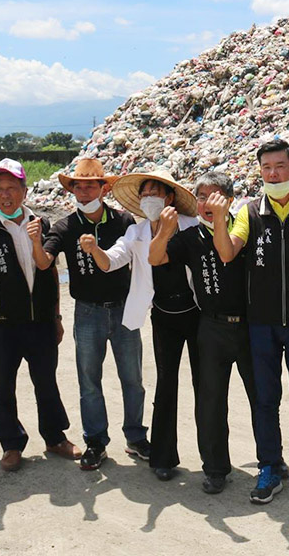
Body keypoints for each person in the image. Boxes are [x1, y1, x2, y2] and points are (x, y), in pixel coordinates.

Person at [215, 139, 289, 502]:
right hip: (260, 324)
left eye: (280, 166)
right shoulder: (249, 212)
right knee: (265, 398)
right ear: (259, 172)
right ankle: (269, 466)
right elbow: (228, 252)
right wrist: (219, 219)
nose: (273, 173)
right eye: (266, 168)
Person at [150, 171, 261, 495]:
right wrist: (164, 231)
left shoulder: (245, 226)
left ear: (228, 198)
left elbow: (228, 252)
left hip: (249, 327)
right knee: (210, 403)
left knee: (261, 398)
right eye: (201, 197)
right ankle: (214, 469)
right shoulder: (189, 237)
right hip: (210, 327)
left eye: (214, 196)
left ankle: (271, 460)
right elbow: (155, 258)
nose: (206, 202)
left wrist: (223, 221)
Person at [32, 158, 147, 471]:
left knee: (133, 379)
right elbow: (44, 262)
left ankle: (136, 437)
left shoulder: (124, 222)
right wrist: (33, 241)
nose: (83, 192)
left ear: (104, 188)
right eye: (77, 186)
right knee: (89, 381)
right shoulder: (65, 226)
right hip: (87, 313)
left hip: (123, 310)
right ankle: (96, 440)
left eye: (90, 185)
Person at [94, 169, 200, 481]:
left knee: (205, 385)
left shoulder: (191, 227)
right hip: (163, 315)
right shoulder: (136, 233)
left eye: (155, 192)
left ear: (169, 198)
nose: (149, 198)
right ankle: (163, 458)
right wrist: (95, 251)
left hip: (196, 313)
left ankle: (213, 460)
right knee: (166, 385)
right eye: (144, 193)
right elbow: (113, 260)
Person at [0, 159, 79, 473]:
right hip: (2, 325)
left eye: (11, 188)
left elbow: (51, 274)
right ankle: (11, 444)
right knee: (4, 385)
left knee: (46, 381)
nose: (5, 195)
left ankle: (54, 437)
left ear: (25, 190)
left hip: (40, 322)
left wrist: (57, 316)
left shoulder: (43, 224)